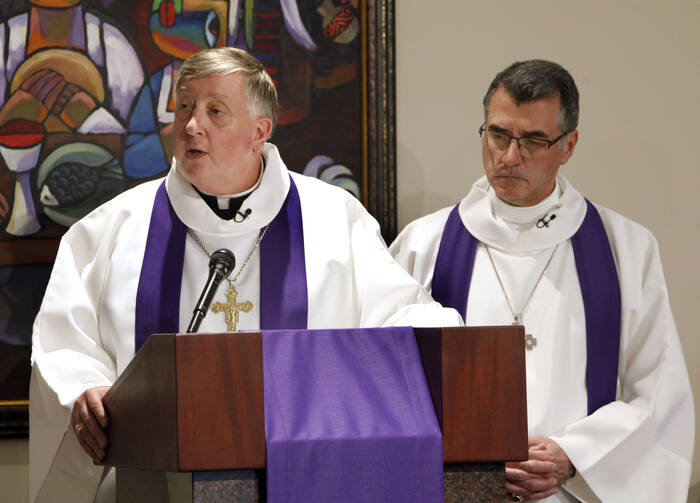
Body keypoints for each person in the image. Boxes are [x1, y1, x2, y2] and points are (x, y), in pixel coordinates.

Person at [29, 47, 462, 503]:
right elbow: (64, 341)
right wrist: (84, 389)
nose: (192, 125)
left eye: (215, 111)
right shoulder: (111, 229)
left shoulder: (334, 219)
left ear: (260, 133)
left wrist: (447, 341)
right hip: (152, 484)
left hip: (305, 481)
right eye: (185, 107)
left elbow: (396, 316)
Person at [390, 60, 694, 502]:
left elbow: (660, 391)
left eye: (533, 140)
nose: (509, 157)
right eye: (498, 135)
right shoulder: (425, 245)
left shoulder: (625, 248)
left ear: (568, 145)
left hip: (571, 491)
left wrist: (573, 454)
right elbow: (389, 382)